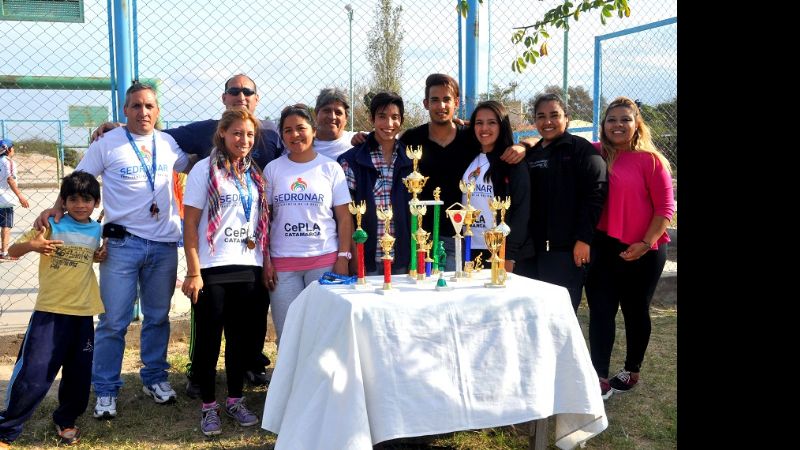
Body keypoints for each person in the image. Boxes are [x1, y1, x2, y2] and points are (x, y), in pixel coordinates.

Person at [92, 74, 277, 394]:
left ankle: (250, 366)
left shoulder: (270, 137)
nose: (241, 96)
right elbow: (152, 135)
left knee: (252, 315)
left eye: (248, 91)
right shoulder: (203, 131)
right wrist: (118, 128)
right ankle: (198, 374)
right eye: (234, 90)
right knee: (206, 322)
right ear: (224, 98)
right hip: (211, 254)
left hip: (252, 251)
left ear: (257, 99)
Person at [36, 82, 192, 419]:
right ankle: (106, 389)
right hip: (121, 245)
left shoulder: (167, 144)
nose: (143, 112)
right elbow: (78, 181)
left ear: (158, 110)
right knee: (113, 322)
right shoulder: (108, 143)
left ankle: (155, 378)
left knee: (157, 318)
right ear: (125, 110)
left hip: (164, 244)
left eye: (149, 106)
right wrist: (56, 209)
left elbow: (190, 164)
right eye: (136, 106)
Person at [0, 171, 105, 446]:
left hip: (83, 314)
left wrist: (97, 256)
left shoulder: (97, 230)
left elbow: (87, 258)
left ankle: (66, 420)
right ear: (64, 201)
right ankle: (8, 429)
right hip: (49, 312)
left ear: (96, 202)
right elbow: (12, 250)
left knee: (79, 374)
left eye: (87, 199)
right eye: (73, 199)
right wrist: (33, 245)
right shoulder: (51, 224)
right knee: (34, 374)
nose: (80, 205)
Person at [181, 108, 268, 436]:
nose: (243, 140)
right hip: (212, 268)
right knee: (207, 342)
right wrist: (193, 272)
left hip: (248, 266)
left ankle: (234, 399)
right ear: (223, 134)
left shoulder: (253, 173)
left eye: (248, 134)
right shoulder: (204, 169)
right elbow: (189, 224)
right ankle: (208, 406)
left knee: (239, 341)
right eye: (236, 133)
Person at [584, 97, 675, 400]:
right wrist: (523, 144)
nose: (618, 125)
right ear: (604, 124)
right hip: (603, 247)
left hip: (644, 249)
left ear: (637, 124)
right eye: (612, 119)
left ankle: (631, 371)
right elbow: (556, 141)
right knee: (600, 311)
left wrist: (645, 243)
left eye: (625, 119)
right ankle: (598, 377)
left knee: (635, 311)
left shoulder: (652, 160)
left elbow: (665, 209)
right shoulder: (594, 152)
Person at [400, 74, 527, 270]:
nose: (441, 106)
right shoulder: (411, 139)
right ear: (426, 103)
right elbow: (386, 144)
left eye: (447, 99)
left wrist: (525, 145)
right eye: (435, 100)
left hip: (460, 237)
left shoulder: (470, 140)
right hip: (420, 236)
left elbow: (495, 138)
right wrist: (365, 138)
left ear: (456, 103)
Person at [263, 104, 352, 345]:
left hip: (323, 261)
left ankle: (321, 383)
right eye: (288, 130)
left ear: (313, 130)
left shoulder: (330, 168)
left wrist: (343, 257)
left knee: (323, 335)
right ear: (282, 136)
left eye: (301, 128)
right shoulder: (273, 170)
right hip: (283, 266)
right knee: (289, 335)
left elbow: (344, 217)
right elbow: (265, 219)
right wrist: (266, 260)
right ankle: (290, 383)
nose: (295, 135)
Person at [516, 93, 608, 312]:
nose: (547, 122)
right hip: (530, 251)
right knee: (531, 313)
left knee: (559, 315)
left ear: (567, 118)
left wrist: (584, 239)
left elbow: (596, 194)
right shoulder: (532, 153)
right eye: (541, 116)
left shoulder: (581, 150)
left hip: (566, 253)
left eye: (554, 115)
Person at [338, 92, 412, 274]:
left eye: (395, 117)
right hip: (366, 257)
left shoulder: (411, 160)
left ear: (401, 121)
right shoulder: (352, 160)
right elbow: (346, 215)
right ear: (372, 119)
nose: (388, 124)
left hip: (402, 257)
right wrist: (354, 255)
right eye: (382, 117)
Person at [462, 101, 531, 273]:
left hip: (497, 250)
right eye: (479, 123)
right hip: (468, 247)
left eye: (492, 122)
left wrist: (509, 254)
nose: (484, 128)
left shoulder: (512, 160)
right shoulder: (467, 156)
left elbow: (522, 210)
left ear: (502, 125)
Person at [0, 139, 30, 261]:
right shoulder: (9, 162)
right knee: (6, 225)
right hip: (4, 199)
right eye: (13, 148)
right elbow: (10, 179)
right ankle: (4, 253)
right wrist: (20, 196)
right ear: (8, 149)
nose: (14, 150)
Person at [313, 87, 358, 160]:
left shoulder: (358, 142)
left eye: (338, 113)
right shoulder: (301, 145)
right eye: (327, 111)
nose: (332, 117)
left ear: (346, 118)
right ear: (316, 113)